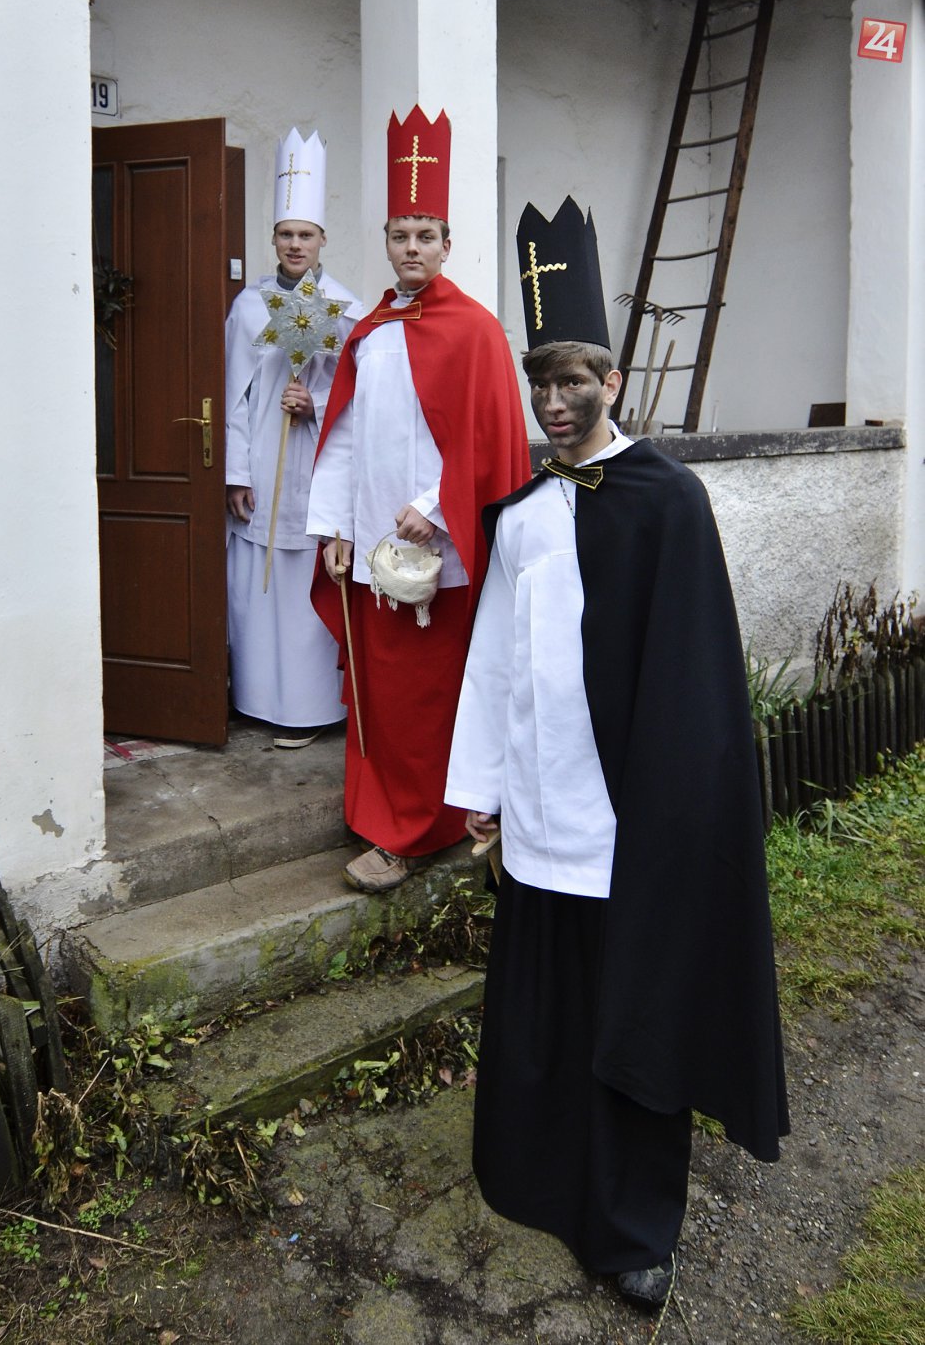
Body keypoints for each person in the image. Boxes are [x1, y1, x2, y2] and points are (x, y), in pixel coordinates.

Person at [445, 197, 789, 1312]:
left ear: (612, 382)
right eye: (539, 384)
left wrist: (671, 818)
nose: (554, 403)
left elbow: (693, 688)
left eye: (571, 382)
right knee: (547, 1009)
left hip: (626, 821)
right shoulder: (522, 515)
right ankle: (541, 1175)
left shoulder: (668, 502)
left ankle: (634, 1224)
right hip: (539, 811)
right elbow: (493, 663)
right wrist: (480, 789)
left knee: (631, 1009)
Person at [306, 105, 530, 892]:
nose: (411, 247)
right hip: (370, 541)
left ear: (446, 244)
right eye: (400, 235)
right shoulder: (369, 331)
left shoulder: (474, 330)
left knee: (428, 695)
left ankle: (419, 831)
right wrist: (334, 527)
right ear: (386, 242)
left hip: (440, 546)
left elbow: (484, 438)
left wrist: (434, 508)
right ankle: (380, 816)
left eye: (425, 235)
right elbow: (342, 435)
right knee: (380, 694)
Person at [226, 127, 363, 747]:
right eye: (285, 234)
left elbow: (360, 400)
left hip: (314, 466)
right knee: (257, 583)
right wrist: (235, 472)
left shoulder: (346, 308)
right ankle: (257, 698)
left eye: (305, 235)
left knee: (305, 583)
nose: (295, 245)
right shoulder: (250, 305)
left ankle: (308, 710)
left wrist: (316, 404)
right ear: (273, 239)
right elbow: (232, 393)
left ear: (322, 239)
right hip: (261, 462)